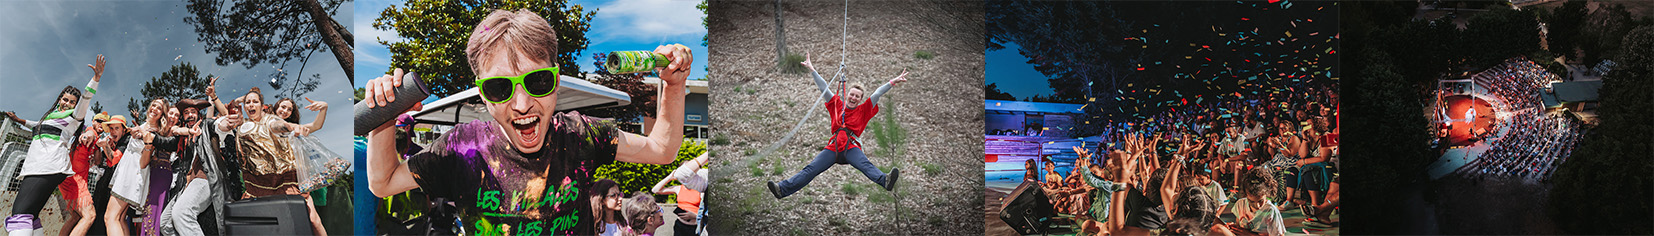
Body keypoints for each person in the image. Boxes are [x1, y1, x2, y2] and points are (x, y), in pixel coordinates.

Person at [363, 9, 693, 235]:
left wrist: (674, 86)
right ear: (482, 93)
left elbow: (661, 149)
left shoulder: (581, 135)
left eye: (537, 82)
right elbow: (384, 183)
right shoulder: (463, 146)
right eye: (499, 87)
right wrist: (383, 117)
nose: (521, 105)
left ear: (557, 78)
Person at [767, 52, 907, 199]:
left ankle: (885, 181)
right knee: (811, 169)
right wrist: (812, 69)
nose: (853, 97)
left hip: (851, 147)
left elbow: (877, 93)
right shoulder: (836, 105)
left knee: (866, 165)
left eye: (857, 96)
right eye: (851, 94)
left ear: (860, 99)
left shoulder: (864, 110)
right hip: (833, 148)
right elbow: (823, 89)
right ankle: (782, 190)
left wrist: (892, 82)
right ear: (847, 96)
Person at [4, 54, 104, 236]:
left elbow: (85, 101)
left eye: (71, 102)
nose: (67, 104)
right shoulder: (50, 118)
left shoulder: (72, 117)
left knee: (20, 214)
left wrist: (95, 79)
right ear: (59, 99)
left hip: (46, 166)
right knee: (31, 216)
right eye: (64, 99)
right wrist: (18, 119)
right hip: (43, 168)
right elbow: (36, 125)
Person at [223, 87, 325, 235]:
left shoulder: (274, 122)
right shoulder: (245, 125)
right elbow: (230, 109)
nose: (285, 111)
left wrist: (293, 126)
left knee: (313, 220)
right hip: (258, 185)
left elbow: (278, 125)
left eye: (289, 109)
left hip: (287, 181)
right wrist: (242, 99)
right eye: (283, 107)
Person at [106, 98, 168, 236]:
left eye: (159, 108)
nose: (154, 109)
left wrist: (146, 142)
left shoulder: (155, 132)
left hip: (132, 176)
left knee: (110, 217)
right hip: (126, 173)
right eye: (153, 105)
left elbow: (143, 163)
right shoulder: (143, 125)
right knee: (121, 218)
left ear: (163, 114)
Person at [651, 154, 707, 236]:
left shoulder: (701, 189)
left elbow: (705, 211)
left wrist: (695, 216)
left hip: (694, 227)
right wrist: (670, 176)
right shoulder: (678, 188)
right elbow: (655, 190)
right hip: (680, 225)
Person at [1229, 167, 1286, 236]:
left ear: (1266, 193)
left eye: (1260, 201)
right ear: (1245, 195)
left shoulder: (1270, 211)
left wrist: (1249, 234)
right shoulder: (1240, 204)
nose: (1257, 206)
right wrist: (1233, 228)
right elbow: (1239, 226)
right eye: (1251, 201)